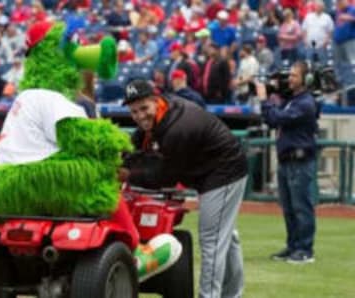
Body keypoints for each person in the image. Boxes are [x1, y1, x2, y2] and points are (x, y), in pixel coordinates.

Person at [121, 79, 248, 298]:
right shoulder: (162, 112)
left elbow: (165, 176)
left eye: (144, 108)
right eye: (134, 111)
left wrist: (128, 175)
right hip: (210, 170)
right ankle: (232, 294)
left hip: (224, 171)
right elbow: (139, 140)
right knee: (227, 237)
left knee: (212, 240)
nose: (140, 115)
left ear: (155, 100)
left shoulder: (177, 128)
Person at [257, 61, 318, 264]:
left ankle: (305, 249)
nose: (289, 79)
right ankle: (293, 246)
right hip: (287, 160)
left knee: (301, 206)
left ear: (306, 79)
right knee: (289, 208)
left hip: (299, 161)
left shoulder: (305, 103)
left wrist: (264, 100)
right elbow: (274, 116)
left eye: (294, 75)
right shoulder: (293, 100)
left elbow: (275, 119)